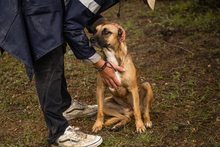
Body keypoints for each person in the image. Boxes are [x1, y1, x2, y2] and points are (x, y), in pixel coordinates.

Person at [0, 0, 154, 146]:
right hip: (38, 11)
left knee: (57, 55)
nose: (136, 2)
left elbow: (80, 9)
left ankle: (65, 107)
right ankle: (58, 133)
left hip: (51, 9)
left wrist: (101, 23)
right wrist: (99, 64)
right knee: (48, 60)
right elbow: (72, 24)